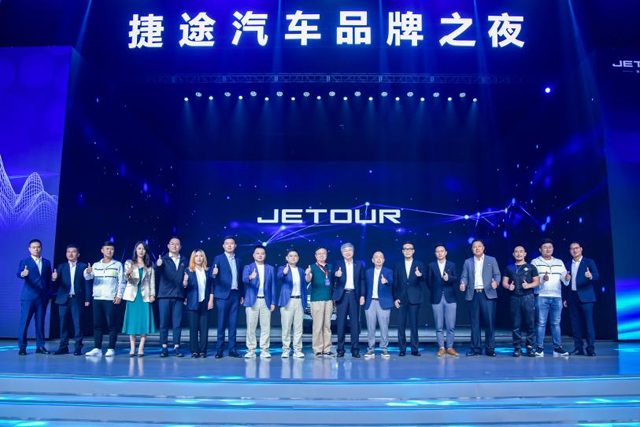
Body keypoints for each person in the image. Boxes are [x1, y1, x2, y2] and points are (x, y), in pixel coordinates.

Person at [460, 239, 501, 357]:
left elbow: (497, 274)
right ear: (472, 249)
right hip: (473, 294)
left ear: (483, 248)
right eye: (474, 246)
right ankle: (475, 348)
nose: (477, 248)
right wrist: (463, 284)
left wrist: (496, 282)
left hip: (487, 294)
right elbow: (464, 276)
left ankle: (490, 348)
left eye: (479, 246)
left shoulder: (491, 260)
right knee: (474, 324)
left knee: (489, 323)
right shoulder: (468, 262)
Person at [84, 241, 125, 357]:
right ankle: (97, 348)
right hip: (97, 297)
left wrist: (119, 295)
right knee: (97, 324)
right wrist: (87, 272)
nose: (109, 251)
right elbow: (88, 277)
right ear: (102, 250)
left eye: (111, 249)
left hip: (110, 298)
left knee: (111, 324)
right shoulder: (96, 265)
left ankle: (111, 348)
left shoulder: (117, 264)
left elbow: (122, 281)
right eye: (107, 249)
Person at [530, 238, 569, 357]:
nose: (548, 249)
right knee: (541, 323)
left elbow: (564, 279)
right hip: (541, 296)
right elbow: (532, 279)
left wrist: (567, 278)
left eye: (550, 247)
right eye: (545, 247)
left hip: (557, 296)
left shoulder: (559, 262)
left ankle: (557, 347)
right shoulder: (535, 262)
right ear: (540, 249)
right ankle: (539, 347)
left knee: (556, 323)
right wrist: (543, 279)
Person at [52, 244, 91, 355]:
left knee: (77, 323)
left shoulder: (83, 266)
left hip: (76, 299)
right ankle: (63, 347)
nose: (70, 254)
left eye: (73, 252)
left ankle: (78, 347)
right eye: (68, 252)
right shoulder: (61, 267)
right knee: (63, 324)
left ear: (78, 254)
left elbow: (87, 284)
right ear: (66, 254)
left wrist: (87, 299)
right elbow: (55, 283)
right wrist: (54, 279)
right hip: (63, 300)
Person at [17, 239, 52, 355]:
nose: (36, 249)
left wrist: (49, 295)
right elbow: (19, 273)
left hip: (42, 298)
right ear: (29, 249)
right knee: (24, 322)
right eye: (34, 247)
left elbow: (48, 280)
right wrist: (23, 274)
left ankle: (40, 346)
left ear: (41, 248)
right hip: (29, 297)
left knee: (40, 322)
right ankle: (22, 347)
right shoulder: (25, 261)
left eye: (38, 247)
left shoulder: (46, 262)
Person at [502, 245, 539, 357]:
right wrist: (508, 287)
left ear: (525, 254)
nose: (519, 254)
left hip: (528, 297)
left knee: (530, 323)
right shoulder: (509, 268)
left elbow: (537, 281)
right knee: (516, 323)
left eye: (521, 251)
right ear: (513, 254)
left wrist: (529, 285)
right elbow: (504, 282)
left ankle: (530, 346)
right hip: (514, 297)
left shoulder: (531, 267)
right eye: (516, 252)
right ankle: (517, 347)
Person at [565, 241, 600, 356]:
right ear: (570, 251)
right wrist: (566, 298)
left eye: (576, 248)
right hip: (572, 297)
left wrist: (591, 276)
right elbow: (565, 283)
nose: (574, 250)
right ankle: (578, 348)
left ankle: (590, 348)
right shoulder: (567, 264)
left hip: (587, 297)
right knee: (575, 324)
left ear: (581, 249)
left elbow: (596, 275)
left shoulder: (589, 262)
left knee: (588, 323)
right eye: (572, 249)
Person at [122, 241, 156, 357]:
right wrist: (128, 273)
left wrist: (152, 294)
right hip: (133, 296)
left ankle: (141, 348)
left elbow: (152, 282)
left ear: (146, 251)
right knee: (133, 323)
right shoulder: (129, 263)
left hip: (144, 296)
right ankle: (132, 348)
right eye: (139, 248)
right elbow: (126, 278)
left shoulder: (149, 265)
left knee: (143, 323)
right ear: (136, 250)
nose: (141, 251)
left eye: (143, 249)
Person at [155, 237, 188, 358]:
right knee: (163, 323)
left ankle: (176, 347)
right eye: (172, 244)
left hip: (179, 295)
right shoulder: (163, 259)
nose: (174, 246)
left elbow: (187, 278)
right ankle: (164, 347)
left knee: (177, 323)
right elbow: (155, 271)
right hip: (164, 295)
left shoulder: (184, 260)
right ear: (168, 246)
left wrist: (185, 294)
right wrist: (158, 265)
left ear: (180, 246)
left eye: (177, 244)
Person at [242, 245, 276, 359]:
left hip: (266, 301)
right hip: (252, 301)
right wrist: (250, 277)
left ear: (265, 255)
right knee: (251, 327)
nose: (260, 255)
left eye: (262, 253)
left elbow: (273, 286)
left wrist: (273, 302)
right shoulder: (248, 267)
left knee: (266, 327)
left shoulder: (270, 268)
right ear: (253, 255)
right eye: (257, 253)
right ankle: (251, 350)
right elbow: (244, 279)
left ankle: (264, 350)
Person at [212, 237, 244, 358]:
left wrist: (242, 294)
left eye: (232, 243)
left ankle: (232, 349)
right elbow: (211, 276)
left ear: (235, 245)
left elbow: (241, 279)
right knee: (221, 323)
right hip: (222, 295)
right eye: (227, 244)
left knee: (233, 323)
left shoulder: (239, 260)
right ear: (223, 246)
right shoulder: (218, 258)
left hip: (235, 294)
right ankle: (219, 349)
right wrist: (213, 273)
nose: (229, 245)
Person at [333, 242, 365, 358]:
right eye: (345, 250)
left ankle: (355, 349)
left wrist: (362, 295)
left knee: (354, 324)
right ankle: (340, 349)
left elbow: (362, 280)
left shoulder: (359, 264)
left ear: (353, 252)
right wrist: (336, 275)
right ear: (342, 253)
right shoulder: (338, 264)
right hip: (342, 296)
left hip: (354, 296)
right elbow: (332, 279)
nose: (347, 252)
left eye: (349, 250)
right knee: (340, 323)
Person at [393, 241, 426, 356]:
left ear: (413, 251)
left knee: (414, 325)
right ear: (402, 251)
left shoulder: (419, 264)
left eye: (410, 249)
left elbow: (424, 279)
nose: (407, 251)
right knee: (401, 325)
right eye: (405, 249)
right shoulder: (398, 265)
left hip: (414, 298)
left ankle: (414, 349)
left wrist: (420, 275)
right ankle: (402, 349)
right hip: (401, 299)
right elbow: (395, 283)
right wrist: (395, 298)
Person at [426, 244, 459, 357]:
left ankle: (450, 347)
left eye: (442, 251)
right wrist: (436, 291)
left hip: (450, 298)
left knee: (451, 325)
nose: (440, 253)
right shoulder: (431, 266)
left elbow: (456, 278)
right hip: (436, 297)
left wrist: (448, 278)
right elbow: (428, 282)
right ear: (435, 253)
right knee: (438, 325)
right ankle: (441, 347)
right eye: (437, 251)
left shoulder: (451, 265)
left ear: (446, 253)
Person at [183, 249, 214, 358]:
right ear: (193, 258)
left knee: (204, 328)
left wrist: (211, 300)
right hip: (192, 302)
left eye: (201, 256)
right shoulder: (188, 270)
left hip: (205, 302)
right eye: (196, 256)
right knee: (193, 328)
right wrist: (185, 282)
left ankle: (203, 351)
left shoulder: (208, 271)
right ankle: (194, 351)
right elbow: (184, 287)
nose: (199, 258)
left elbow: (211, 287)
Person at [277, 249, 308, 359]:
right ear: (287, 258)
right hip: (287, 301)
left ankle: (297, 350)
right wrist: (284, 273)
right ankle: (286, 350)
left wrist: (308, 275)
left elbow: (306, 282)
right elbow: (279, 276)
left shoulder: (301, 270)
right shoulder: (282, 268)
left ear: (298, 258)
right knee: (286, 327)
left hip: (299, 300)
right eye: (291, 256)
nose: (293, 257)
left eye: (295, 256)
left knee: (298, 328)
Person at [305, 247, 335, 358]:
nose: (321, 255)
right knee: (317, 326)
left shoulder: (330, 267)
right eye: (319, 254)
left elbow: (333, 282)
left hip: (329, 300)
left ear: (326, 255)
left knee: (327, 326)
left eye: (323, 253)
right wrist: (307, 274)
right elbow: (308, 280)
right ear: (315, 256)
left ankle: (327, 349)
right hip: (317, 300)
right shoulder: (312, 267)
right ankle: (317, 349)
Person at [364, 251, 394, 359]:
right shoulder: (368, 272)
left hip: (384, 302)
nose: (378, 259)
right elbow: (364, 286)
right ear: (372, 260)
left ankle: (384, 348)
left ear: (384, 260)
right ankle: (371, 348)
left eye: (381, 257)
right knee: (370, 327)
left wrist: (386, 281)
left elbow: (392, 282)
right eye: (376, 257)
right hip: (370, 302)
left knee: (384, 327)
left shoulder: (388, 271)